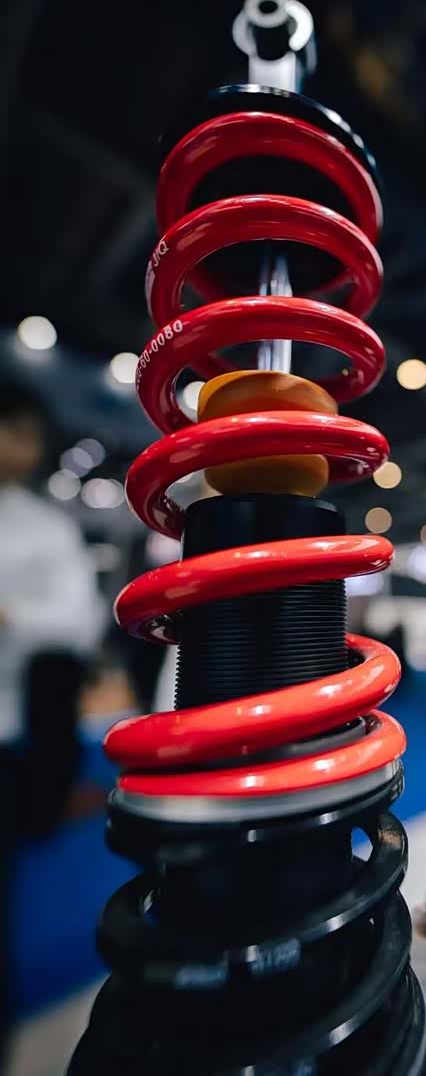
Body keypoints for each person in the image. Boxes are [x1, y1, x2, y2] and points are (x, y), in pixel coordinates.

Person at [0, 375, 103, 1068]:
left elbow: (79, 620)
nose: (20, 446)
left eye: (28, 433)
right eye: (11, 428)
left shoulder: (47, 528)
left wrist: (11, 615)